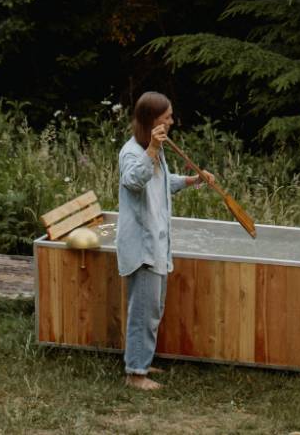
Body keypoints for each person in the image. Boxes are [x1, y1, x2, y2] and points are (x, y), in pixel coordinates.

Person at [116, 91, 213, 391]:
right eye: (166, 117)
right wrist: (153, 150)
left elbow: (161, 183)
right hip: (142, 247)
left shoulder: (154, 151)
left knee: (153, 309)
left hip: (157, 243)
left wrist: (193, 180)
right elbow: (133, 180)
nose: (172, 121)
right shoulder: (133, 152)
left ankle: (142, 361)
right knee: (143, 312)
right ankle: (135, 373)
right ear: (151, 120)